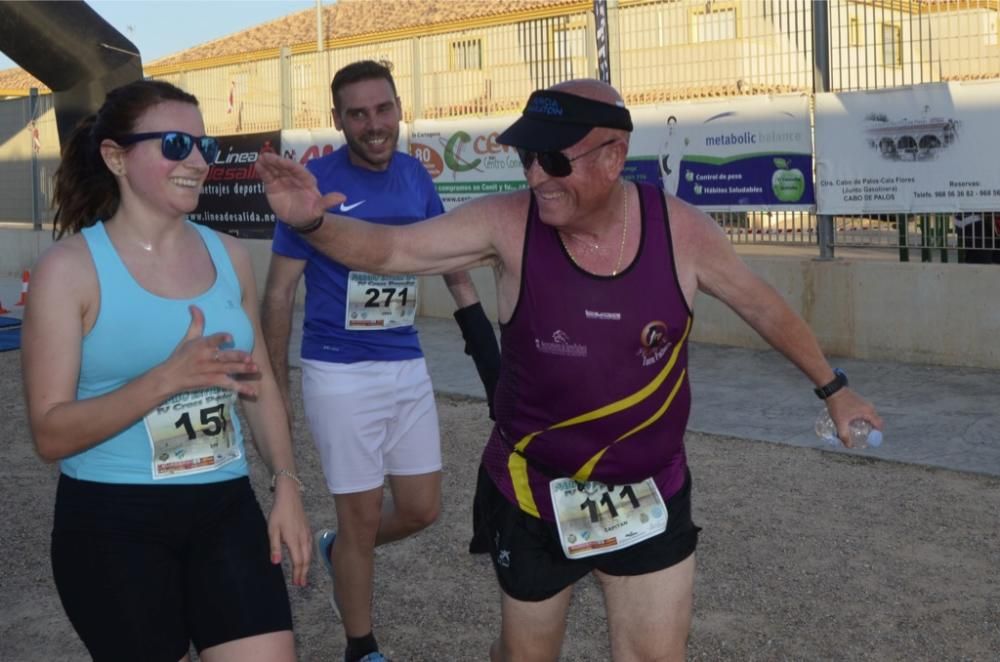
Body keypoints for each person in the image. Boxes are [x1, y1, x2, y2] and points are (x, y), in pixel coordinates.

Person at [257, 78, 883, 662]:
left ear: (614, 156)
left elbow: (761, 305)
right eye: (528, 159)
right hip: (534, 490)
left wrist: (834, 387)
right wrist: (313, 222)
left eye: (554, 161)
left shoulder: (680, 232)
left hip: (650, 488)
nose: (537, 177)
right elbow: (393, 250)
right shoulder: (506, 223)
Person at [21, 79, 311, 662]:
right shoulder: (70, 270)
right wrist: (166, 379)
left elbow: (254, 384)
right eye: (177, 144)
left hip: (224, 507)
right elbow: (50, 433)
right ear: (116, 158)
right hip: (111, 520)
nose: (199, 162)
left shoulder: (229, 255)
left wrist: (287, 485)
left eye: (205, 146)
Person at [260, 59, 497, 662]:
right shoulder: (312, 185)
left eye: (383, 109)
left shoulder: (417, 176)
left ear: (398, 108)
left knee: (421, 509)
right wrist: (278, 388)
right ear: (337, 118)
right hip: (338, 371)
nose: (373, 124)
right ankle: (360, 646)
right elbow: (280, 292)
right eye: (358, 114)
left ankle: (342, 548)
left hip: (406, 365)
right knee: (362, 514)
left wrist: (495, 374)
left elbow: (456, 274)